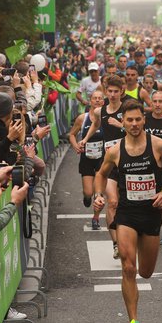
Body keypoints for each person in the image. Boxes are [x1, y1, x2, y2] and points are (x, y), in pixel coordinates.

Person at [93, 100, 162, 323]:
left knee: (146, 272)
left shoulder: (159, 145)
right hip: (127, 214)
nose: (133, 124)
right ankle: (133, 321)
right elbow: (101, 174)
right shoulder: (114, 151)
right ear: (122, 121)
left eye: (138, 119)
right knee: (128, 267)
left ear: (144, 120)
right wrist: (99, 195)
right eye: (129, 120)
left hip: (151, 213)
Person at [79, 75, 126, 258]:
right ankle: (116, 244)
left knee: (126, 204)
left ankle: (128, 235)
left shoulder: (127, 109)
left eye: (116, 91)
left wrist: (121, 125)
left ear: (121, 91)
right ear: (106, 92)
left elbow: (139, 131)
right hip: (108, 163)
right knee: (112, 202)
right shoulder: (100, 111)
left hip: (127, 163)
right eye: (110, 91)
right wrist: (85, 139)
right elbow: (95, 125)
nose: (113, 94)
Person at [69, 90, 105, 230]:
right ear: (90, 101)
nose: (97, 101)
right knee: (89, 192)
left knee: (98, 192)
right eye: (94, 98)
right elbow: (72, 135)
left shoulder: (106, 118)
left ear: (103, 101)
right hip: (87, 160)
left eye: (100, 98)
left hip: (102, 160)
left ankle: (95, 218)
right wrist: (76, 146)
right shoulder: (82, 118)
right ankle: (86, 197)